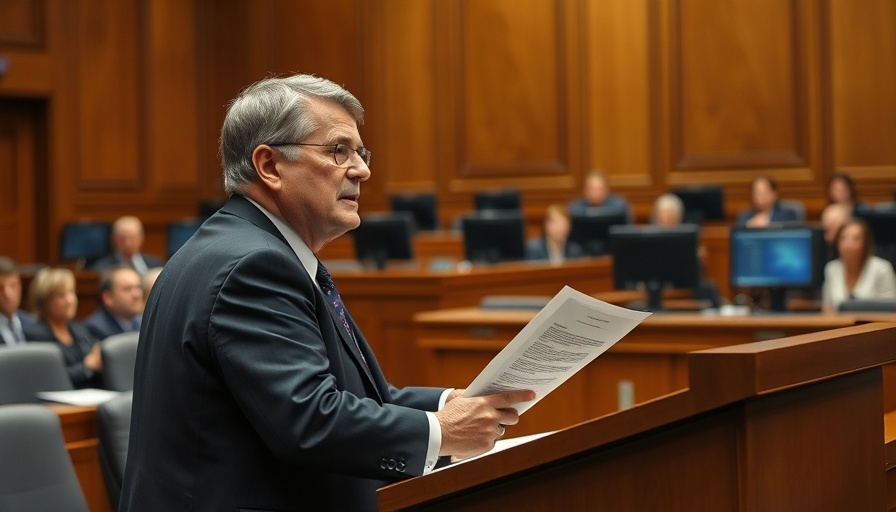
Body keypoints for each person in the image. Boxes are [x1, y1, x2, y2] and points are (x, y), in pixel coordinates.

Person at [119, 74, 533, 511]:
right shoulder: (253, 266)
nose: (362, 169)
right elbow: (310, 419)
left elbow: (354, 397)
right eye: (339, 151)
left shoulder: (244, 248)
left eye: (360, 152)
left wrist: (452, 403)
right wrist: (443, 432)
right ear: (270, 166)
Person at [23, 267, 103, 388]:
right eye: (61, 295)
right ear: (44, 300)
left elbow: (96, 359)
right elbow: (50, 378)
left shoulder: (79, 329)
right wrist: (86, 367)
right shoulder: (35, 335)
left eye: (72, 292)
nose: (70, 300)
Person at [822, 218, 896, 313]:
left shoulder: (882, 268)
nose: (848, 244)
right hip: (840, 326)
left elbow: (891, 310)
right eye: (843, 238)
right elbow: (827, 309)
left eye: (855, 239)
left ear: (865, 244)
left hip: (874, 326)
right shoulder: (831, 268)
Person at [81, 265, 144, 341]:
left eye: (138, 287)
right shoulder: (95, 329)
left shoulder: (144, 323)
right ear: (108, 297)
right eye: (127, 289)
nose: (137, 295)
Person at [90, 216, 163, 277]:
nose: (128, 244)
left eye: (132, 238)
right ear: (114, 240)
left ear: (141, 238)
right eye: (122, 238)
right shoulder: (102, 268)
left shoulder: (156, 266)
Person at [568, 170, 633, 223]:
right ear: (585, 190)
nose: (595, 193)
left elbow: (626, 230)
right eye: (591, 189)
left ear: (606, 190)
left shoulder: (619, 206)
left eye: (599, 189)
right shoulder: (575, 208)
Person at [734, 176, 799, 227]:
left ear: (774, 194)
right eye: (756, 193)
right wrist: (749, 227)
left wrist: (769, 225)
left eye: (763, 193)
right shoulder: (744, 216)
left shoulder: (787, 214)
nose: (759, 197)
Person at [0, 256, 37, 346]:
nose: (8, 294)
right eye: (0, 288)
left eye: (13, 286)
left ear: (20, 287)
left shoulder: (33, 322)